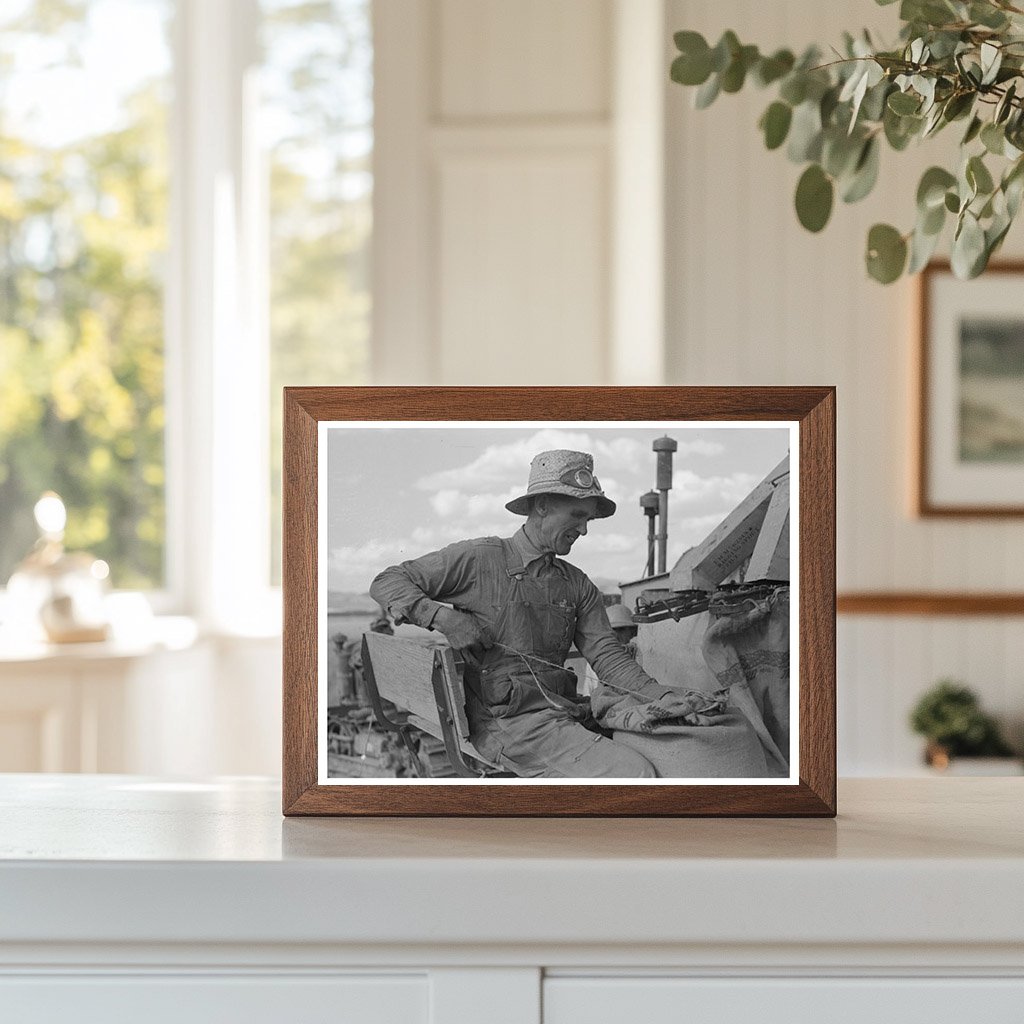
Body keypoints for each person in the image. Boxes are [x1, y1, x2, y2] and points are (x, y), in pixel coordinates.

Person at [369, 449, 727, 778]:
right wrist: (442, 618)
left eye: (588, 520)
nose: (584, 529)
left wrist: (661, 696)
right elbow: (389, 581)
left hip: (564, 712)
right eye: (576, 516)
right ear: (541, 505)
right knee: (634, 775)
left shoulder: (577, 584)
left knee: (680, 749)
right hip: (507, 725)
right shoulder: (481, 559)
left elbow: (609, 659)